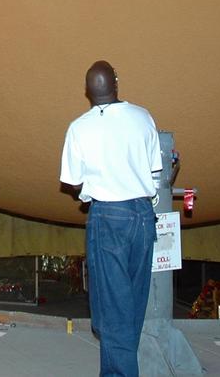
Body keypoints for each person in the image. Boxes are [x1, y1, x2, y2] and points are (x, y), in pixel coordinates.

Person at [59, 60, 162, 377]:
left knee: (113, 312)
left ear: (87, 90)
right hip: (144, 215)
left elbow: (72, 181)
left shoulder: (79, 127)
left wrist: (92, 184)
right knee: (131, 306)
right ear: (116, 82)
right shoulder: (143, 117)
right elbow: (156, 169)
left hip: (108, 217)